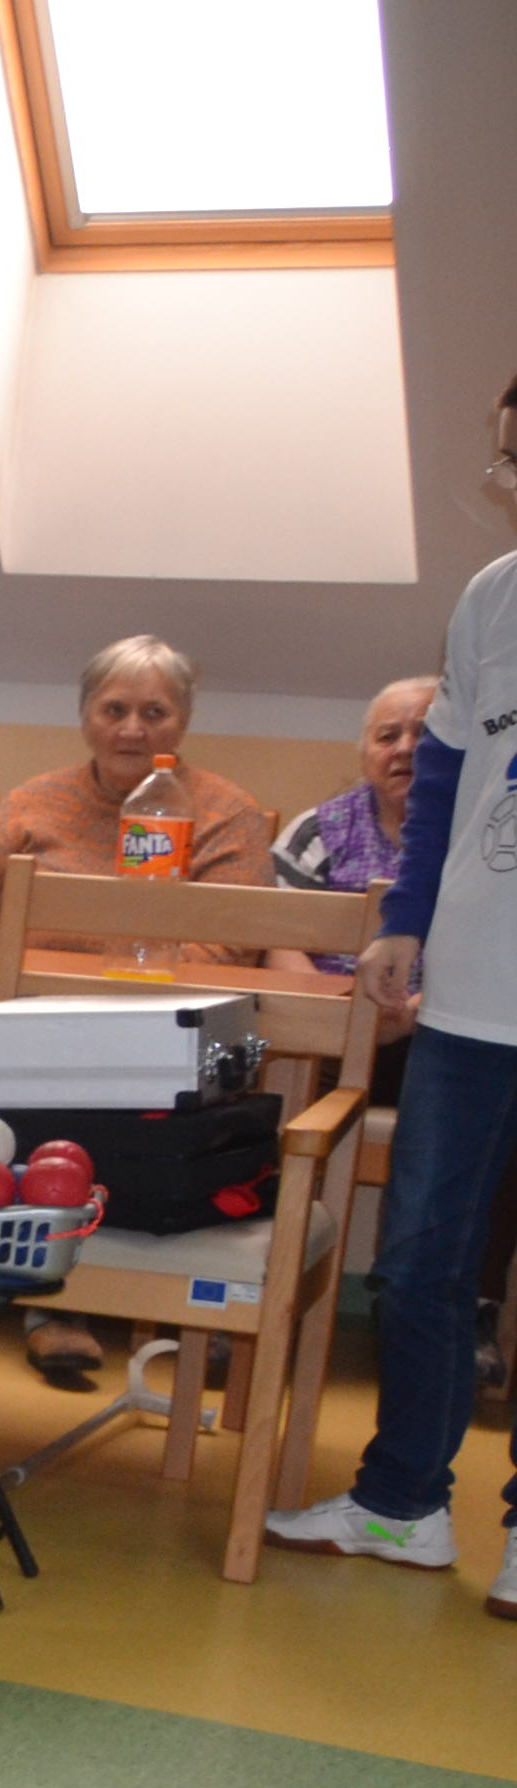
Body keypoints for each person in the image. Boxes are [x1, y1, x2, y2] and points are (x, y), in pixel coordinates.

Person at [271, 374, 517, 1586]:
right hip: (470, 994)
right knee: (419, 1260)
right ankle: (402, 1501)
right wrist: (406, 923)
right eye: (509, 462)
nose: (510, 486)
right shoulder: (491, 599)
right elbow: (445, 785)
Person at [0, 633, 273, 1384]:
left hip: (163, 1031)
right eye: (114, 710)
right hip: (36, 1019)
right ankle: (50, 1304)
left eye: (154, 712)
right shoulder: (32, 802)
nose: (133, 728)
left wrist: (116, 999)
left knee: (117, 1097)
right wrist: (23, 982)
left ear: (183, 721)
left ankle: (154, 1301)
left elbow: (231, 943)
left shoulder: (227, 811)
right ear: (85, 716)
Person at [272, 675, 440, 978]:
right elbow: (276, 942)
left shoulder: (483, 836)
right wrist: (332, 1003)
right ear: (363, 755)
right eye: (387, 737)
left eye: (424, 733)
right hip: (326, 1001)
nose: (405, 748)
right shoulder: (316, 831)